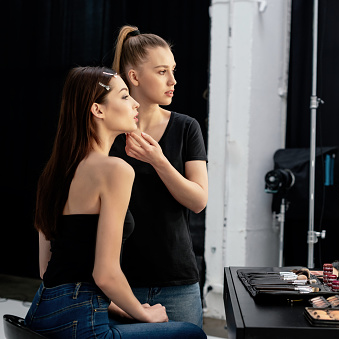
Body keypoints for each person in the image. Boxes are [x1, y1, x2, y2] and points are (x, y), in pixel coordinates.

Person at [25, 66, 206, 339]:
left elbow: (46, 268)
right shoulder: (115, 170)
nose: (134, 103)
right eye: (124, 96)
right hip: (80, 321)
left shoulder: (54, 173)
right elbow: (105, 274)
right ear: (97, 110)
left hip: (40, 313)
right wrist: (143, 313)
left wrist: (123, 309)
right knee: (190, 334)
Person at [109, 25, 208, 328]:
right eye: (162, 71)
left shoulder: (186, 127)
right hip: (120, 283)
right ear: (134, 77)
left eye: (173, 71)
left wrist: (159, 160)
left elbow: (198, 200)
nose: (173, 81)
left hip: (177, 281)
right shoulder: (108, 132)